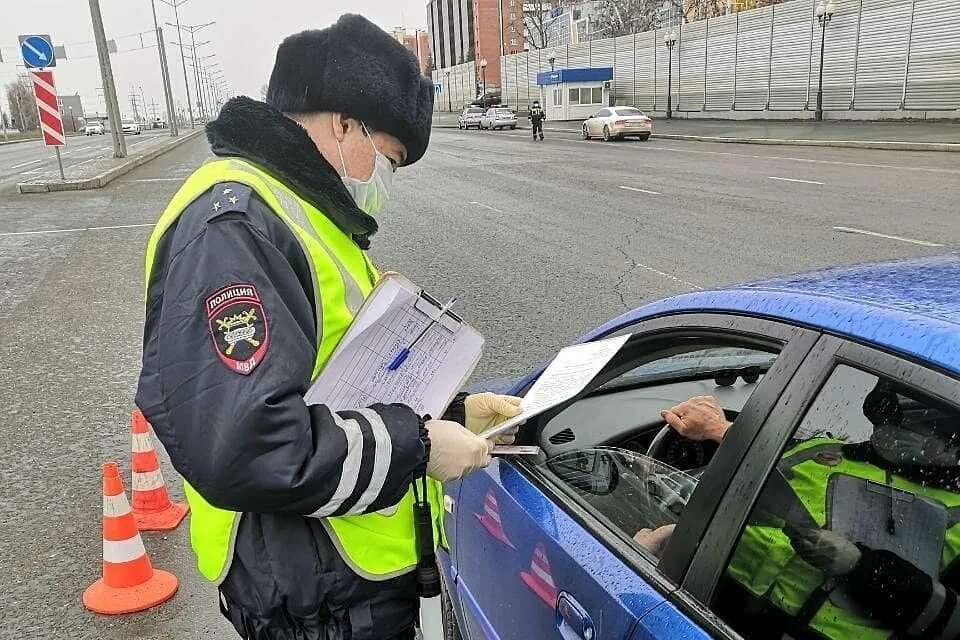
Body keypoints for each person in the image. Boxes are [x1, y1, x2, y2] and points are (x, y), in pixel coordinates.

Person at [136, 14, 521, 640]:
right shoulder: (236, 228)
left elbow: (343, 371)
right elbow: (251, 444)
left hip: (344, 578)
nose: (385, 181)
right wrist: (420, 447)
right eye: (389, 157)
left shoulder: (306, 214)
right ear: (343, 123)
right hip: (310, 591)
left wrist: (452, 410)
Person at [636, 391, 960, 640]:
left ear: (954, 442)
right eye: (888, 419)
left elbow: (952, 624)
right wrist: (720, 430)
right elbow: (758, 477)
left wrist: (861, 568)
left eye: (915, 427)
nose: (892, 431)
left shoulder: (957, 520)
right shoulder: (819, 451)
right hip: (706, 611)